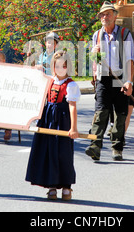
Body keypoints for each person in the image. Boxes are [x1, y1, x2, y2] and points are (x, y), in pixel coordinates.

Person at [25, 50, 80, 200]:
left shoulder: (71, 85)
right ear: (53, 66)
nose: (60, 69)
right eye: (57, 66)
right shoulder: (49, 81)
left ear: (69, 67)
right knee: (48, 153)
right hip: (48, 122)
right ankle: (52, 186)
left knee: (63, 154)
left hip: (62, 122)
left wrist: (73, 128)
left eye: (63, 66)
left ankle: (67, 187)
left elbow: (72, 107)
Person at [85, 1, 134, 161]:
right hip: (103, 79)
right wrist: (94, 54)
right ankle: (95, 146)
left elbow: (130, 59)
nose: (104, 17)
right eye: (102, 14)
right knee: (101, 112)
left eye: (107, 14)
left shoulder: (124, 34)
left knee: (120, 114)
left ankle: (117, 147)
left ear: (115, 16)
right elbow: (95, 60)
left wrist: (129, 82)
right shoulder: (97, 35)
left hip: (120, 77)